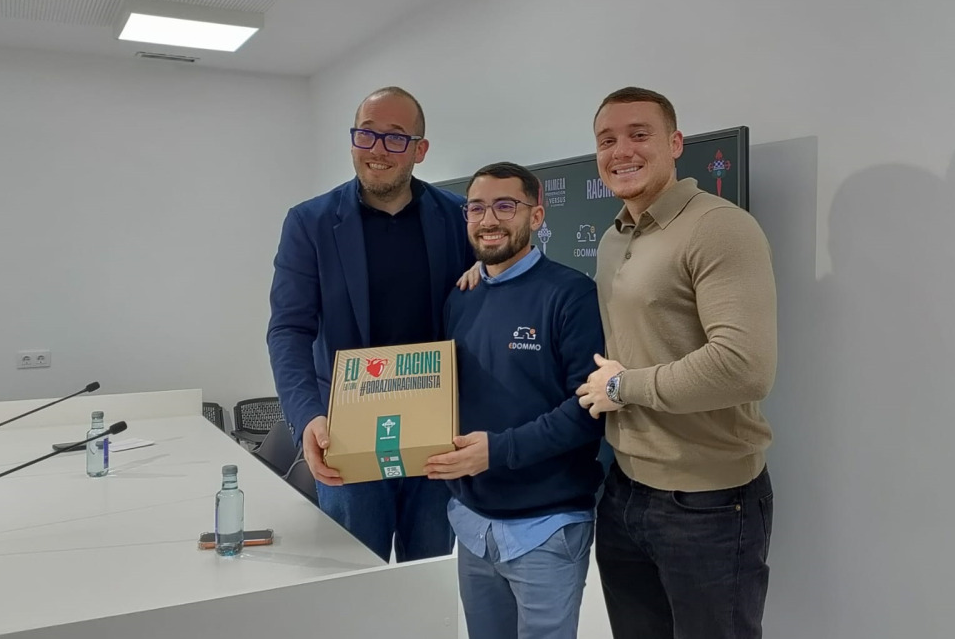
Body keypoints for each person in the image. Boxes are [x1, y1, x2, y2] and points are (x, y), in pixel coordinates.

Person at [575, 87, 778, 638]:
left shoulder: (718, 227)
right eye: (607, 140)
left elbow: (744, 366)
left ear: (675, 143)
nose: (621, 151)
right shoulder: (615, 239)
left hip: (708, 504)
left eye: (639, 135)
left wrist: (623, 388)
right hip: (624, 491)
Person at [267, 86, 473, 562]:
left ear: (420, 150)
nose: (378, 149)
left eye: (396, 137)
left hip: (435, 438)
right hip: (347, 436)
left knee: (428, 580)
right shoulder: (309, 224)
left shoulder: (458, 217)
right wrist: (308, 418)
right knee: (356, 582)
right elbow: (288, 330)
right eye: (367, 134)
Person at [425, 162, 605, 639]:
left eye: (506, 206)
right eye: (477, 208)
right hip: (472, 523)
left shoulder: (571, 295)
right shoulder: (461, 296)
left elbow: (589, 410)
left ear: (537, 216)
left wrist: (497, 451)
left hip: (546, 527)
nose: (489, 220)